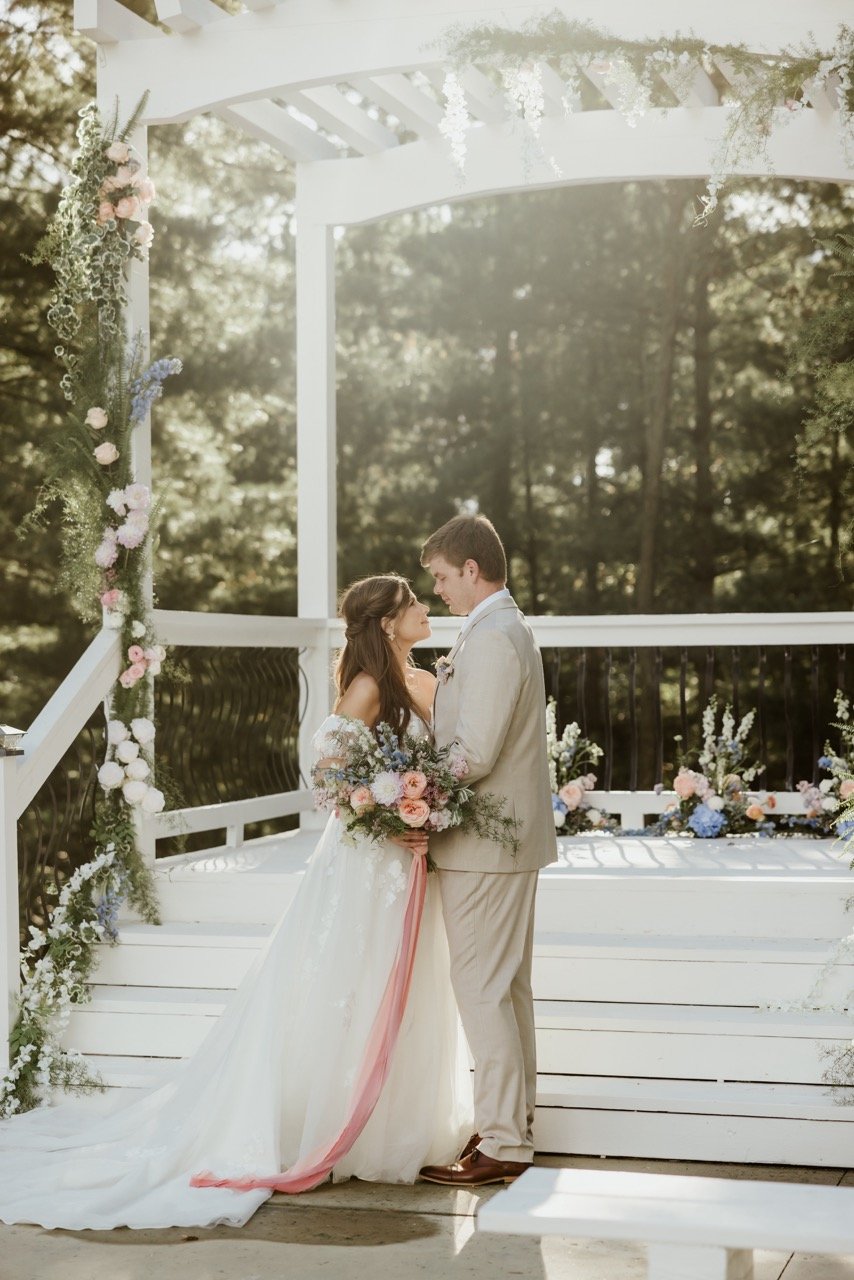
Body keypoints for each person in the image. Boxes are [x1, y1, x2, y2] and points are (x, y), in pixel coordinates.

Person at [0, 574, 473, 1230]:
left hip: (411, 863)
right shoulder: (368, 690)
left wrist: (431, 802)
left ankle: (398, 1126)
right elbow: (330, 773)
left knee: (406, 980)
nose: (425, 608)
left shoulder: (422, 682)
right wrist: (384, 810)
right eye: (414, 603)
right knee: (350, 981)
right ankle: (322, 1122)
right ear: (388, 623)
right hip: (366, 863)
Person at [418, 514, 557, 1187]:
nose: (439, 591)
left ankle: (505, 1139)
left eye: (443, 577)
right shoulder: (495, 631)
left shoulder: (497, 639)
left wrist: (408, 788)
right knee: (504, 991)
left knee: (481, 988)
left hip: (486, 844)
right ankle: (510, 1129)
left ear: (472, 569)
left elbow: (472, 753)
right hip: (494, 844)